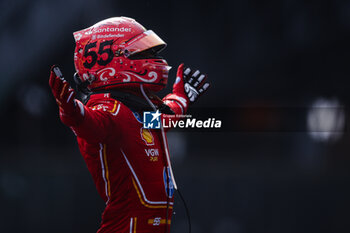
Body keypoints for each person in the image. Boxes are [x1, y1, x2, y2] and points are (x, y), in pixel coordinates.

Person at [49, 16, 209, 233]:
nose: (153, 58)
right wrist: (70, 111)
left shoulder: (136, 111)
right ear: (110, 60)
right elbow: (89, 124)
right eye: (143, 52)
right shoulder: (111, 110)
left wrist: (181, 97)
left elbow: (164, 118)